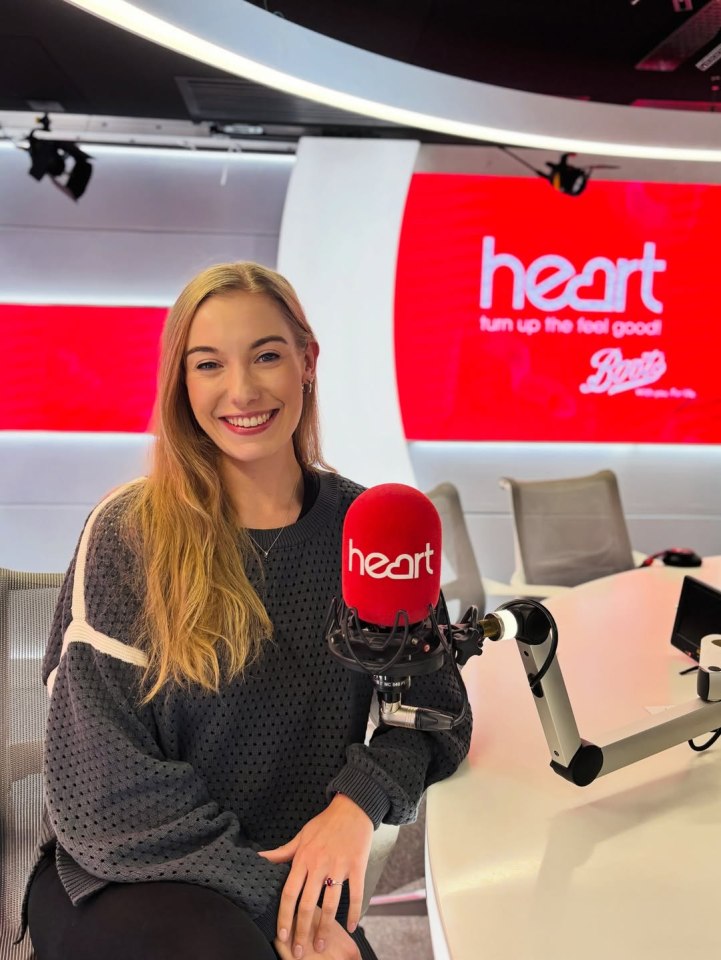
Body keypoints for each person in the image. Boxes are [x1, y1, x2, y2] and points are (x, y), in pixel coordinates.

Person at [24, 262, 472, 960]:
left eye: (266, 355)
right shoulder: (127, 533)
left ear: (307, 362)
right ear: (182, 382)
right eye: (209, 365)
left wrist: (358, 803)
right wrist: (281, 904)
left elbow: (433, 714)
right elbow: (100, 795)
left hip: (296, 885)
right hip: (123, 875)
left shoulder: (370, 530)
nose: (241, 390)